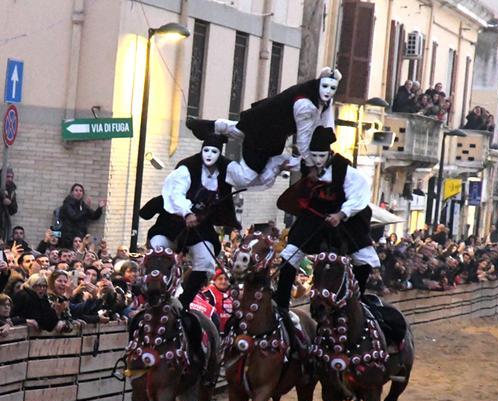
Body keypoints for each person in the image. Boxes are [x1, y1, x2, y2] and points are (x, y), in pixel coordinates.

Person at [141, 134, 258, 308]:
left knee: (206, 260)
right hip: (171, 223)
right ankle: (153, 297)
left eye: (214, 151)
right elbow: (176, 194)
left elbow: (247, 179)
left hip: (200, 227)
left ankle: (183, 302)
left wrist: (274, 165)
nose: (209, 155)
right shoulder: (187, 167)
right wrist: (187, 213)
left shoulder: (225, 169)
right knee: (158, 251)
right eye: (206, 150)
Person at [274, 126, 379, 310]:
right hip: (314, 217)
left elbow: (359, 195)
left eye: (321, 156)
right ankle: (281, 302)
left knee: (363, 257)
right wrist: (279, 166)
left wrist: (341, 214)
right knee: (290, 254)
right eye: (314, 156)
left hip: (343, 219)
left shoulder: (346, 171)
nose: (317, 161)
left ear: (329, 153)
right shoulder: (306, 165)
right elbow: (285, 162)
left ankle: (356, 300)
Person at [186, 67, 341, 185]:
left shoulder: (319, 97)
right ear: (319, 83)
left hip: (262, 120)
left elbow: (325, 124)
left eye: (332, 88)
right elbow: (303, 139)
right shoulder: (306, 106)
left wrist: (325, 145)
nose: (328, 92)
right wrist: (311, 165)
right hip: (265, 135)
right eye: (325, 86)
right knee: (246, 178)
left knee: (241, 130)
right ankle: (219, 162)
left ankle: (208, 126)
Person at [58, 184, 105, 248]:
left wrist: (99, 208)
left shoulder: (82, 205)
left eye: (81, 191)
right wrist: (86, 209)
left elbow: (93, 216)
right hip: (69, 237)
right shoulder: (67, 204)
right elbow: (74, 217)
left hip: (81, 236)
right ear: (72, 192)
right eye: (76, 190)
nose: (78, 192)